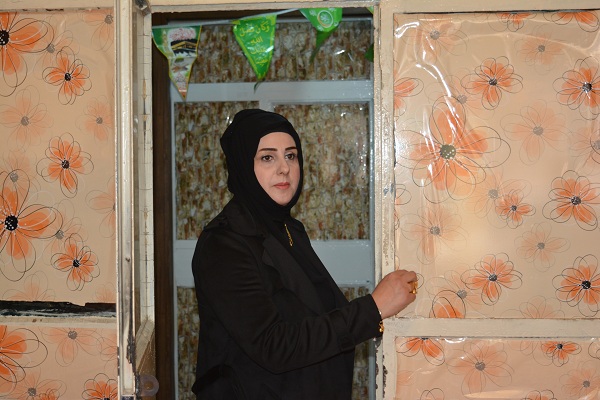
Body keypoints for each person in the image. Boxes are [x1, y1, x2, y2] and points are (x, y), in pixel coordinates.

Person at [191, 109, 417, 400]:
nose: (284, 168)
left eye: (291, 155)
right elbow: (273, 345)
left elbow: (312, 317)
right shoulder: (224, 244)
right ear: (243, 165)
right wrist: (372, 309)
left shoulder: (287, 230)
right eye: (267, 157)